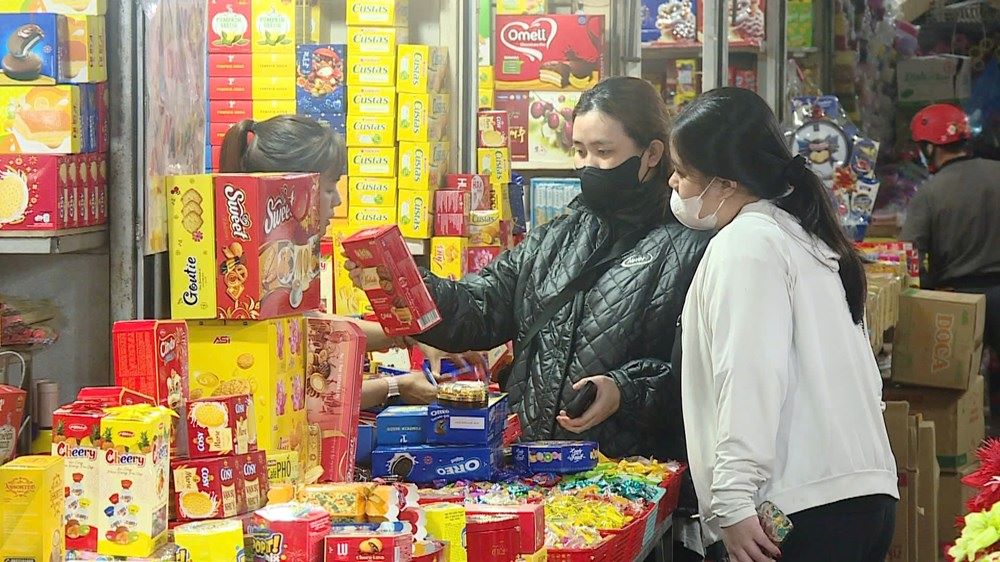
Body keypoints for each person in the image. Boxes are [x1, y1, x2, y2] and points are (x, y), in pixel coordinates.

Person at [348, 76, 711, 461]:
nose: (587, 165)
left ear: (652, 154)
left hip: (624, 476)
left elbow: (697, 374)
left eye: (603, 151)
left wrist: (623, 388)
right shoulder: (558, 234)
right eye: (579, 151)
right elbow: (484, 305)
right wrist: (407, 284)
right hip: (532, 465)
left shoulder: (687, 246)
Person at [668, 88, 897, 562]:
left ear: (726, 182)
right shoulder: (801, 234)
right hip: (857, 500)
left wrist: (730, 502)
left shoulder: (747, 244)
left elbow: (749, 373)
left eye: (684, 173)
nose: (673, 183)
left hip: (796, 512)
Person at [218, 115, 462, 408]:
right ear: (294, 190)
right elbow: (300, 394)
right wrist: (396, 386)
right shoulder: (244, 274)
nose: (337, 201)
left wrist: (407, 336)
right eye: (330, 187)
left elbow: (313, 327)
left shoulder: (282, 253)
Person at [901, 103, 1000, 379]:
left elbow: (910, 254)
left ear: (930, 148)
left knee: (960, 386)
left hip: (959, 297)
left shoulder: (930, 193)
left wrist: (927, 289)